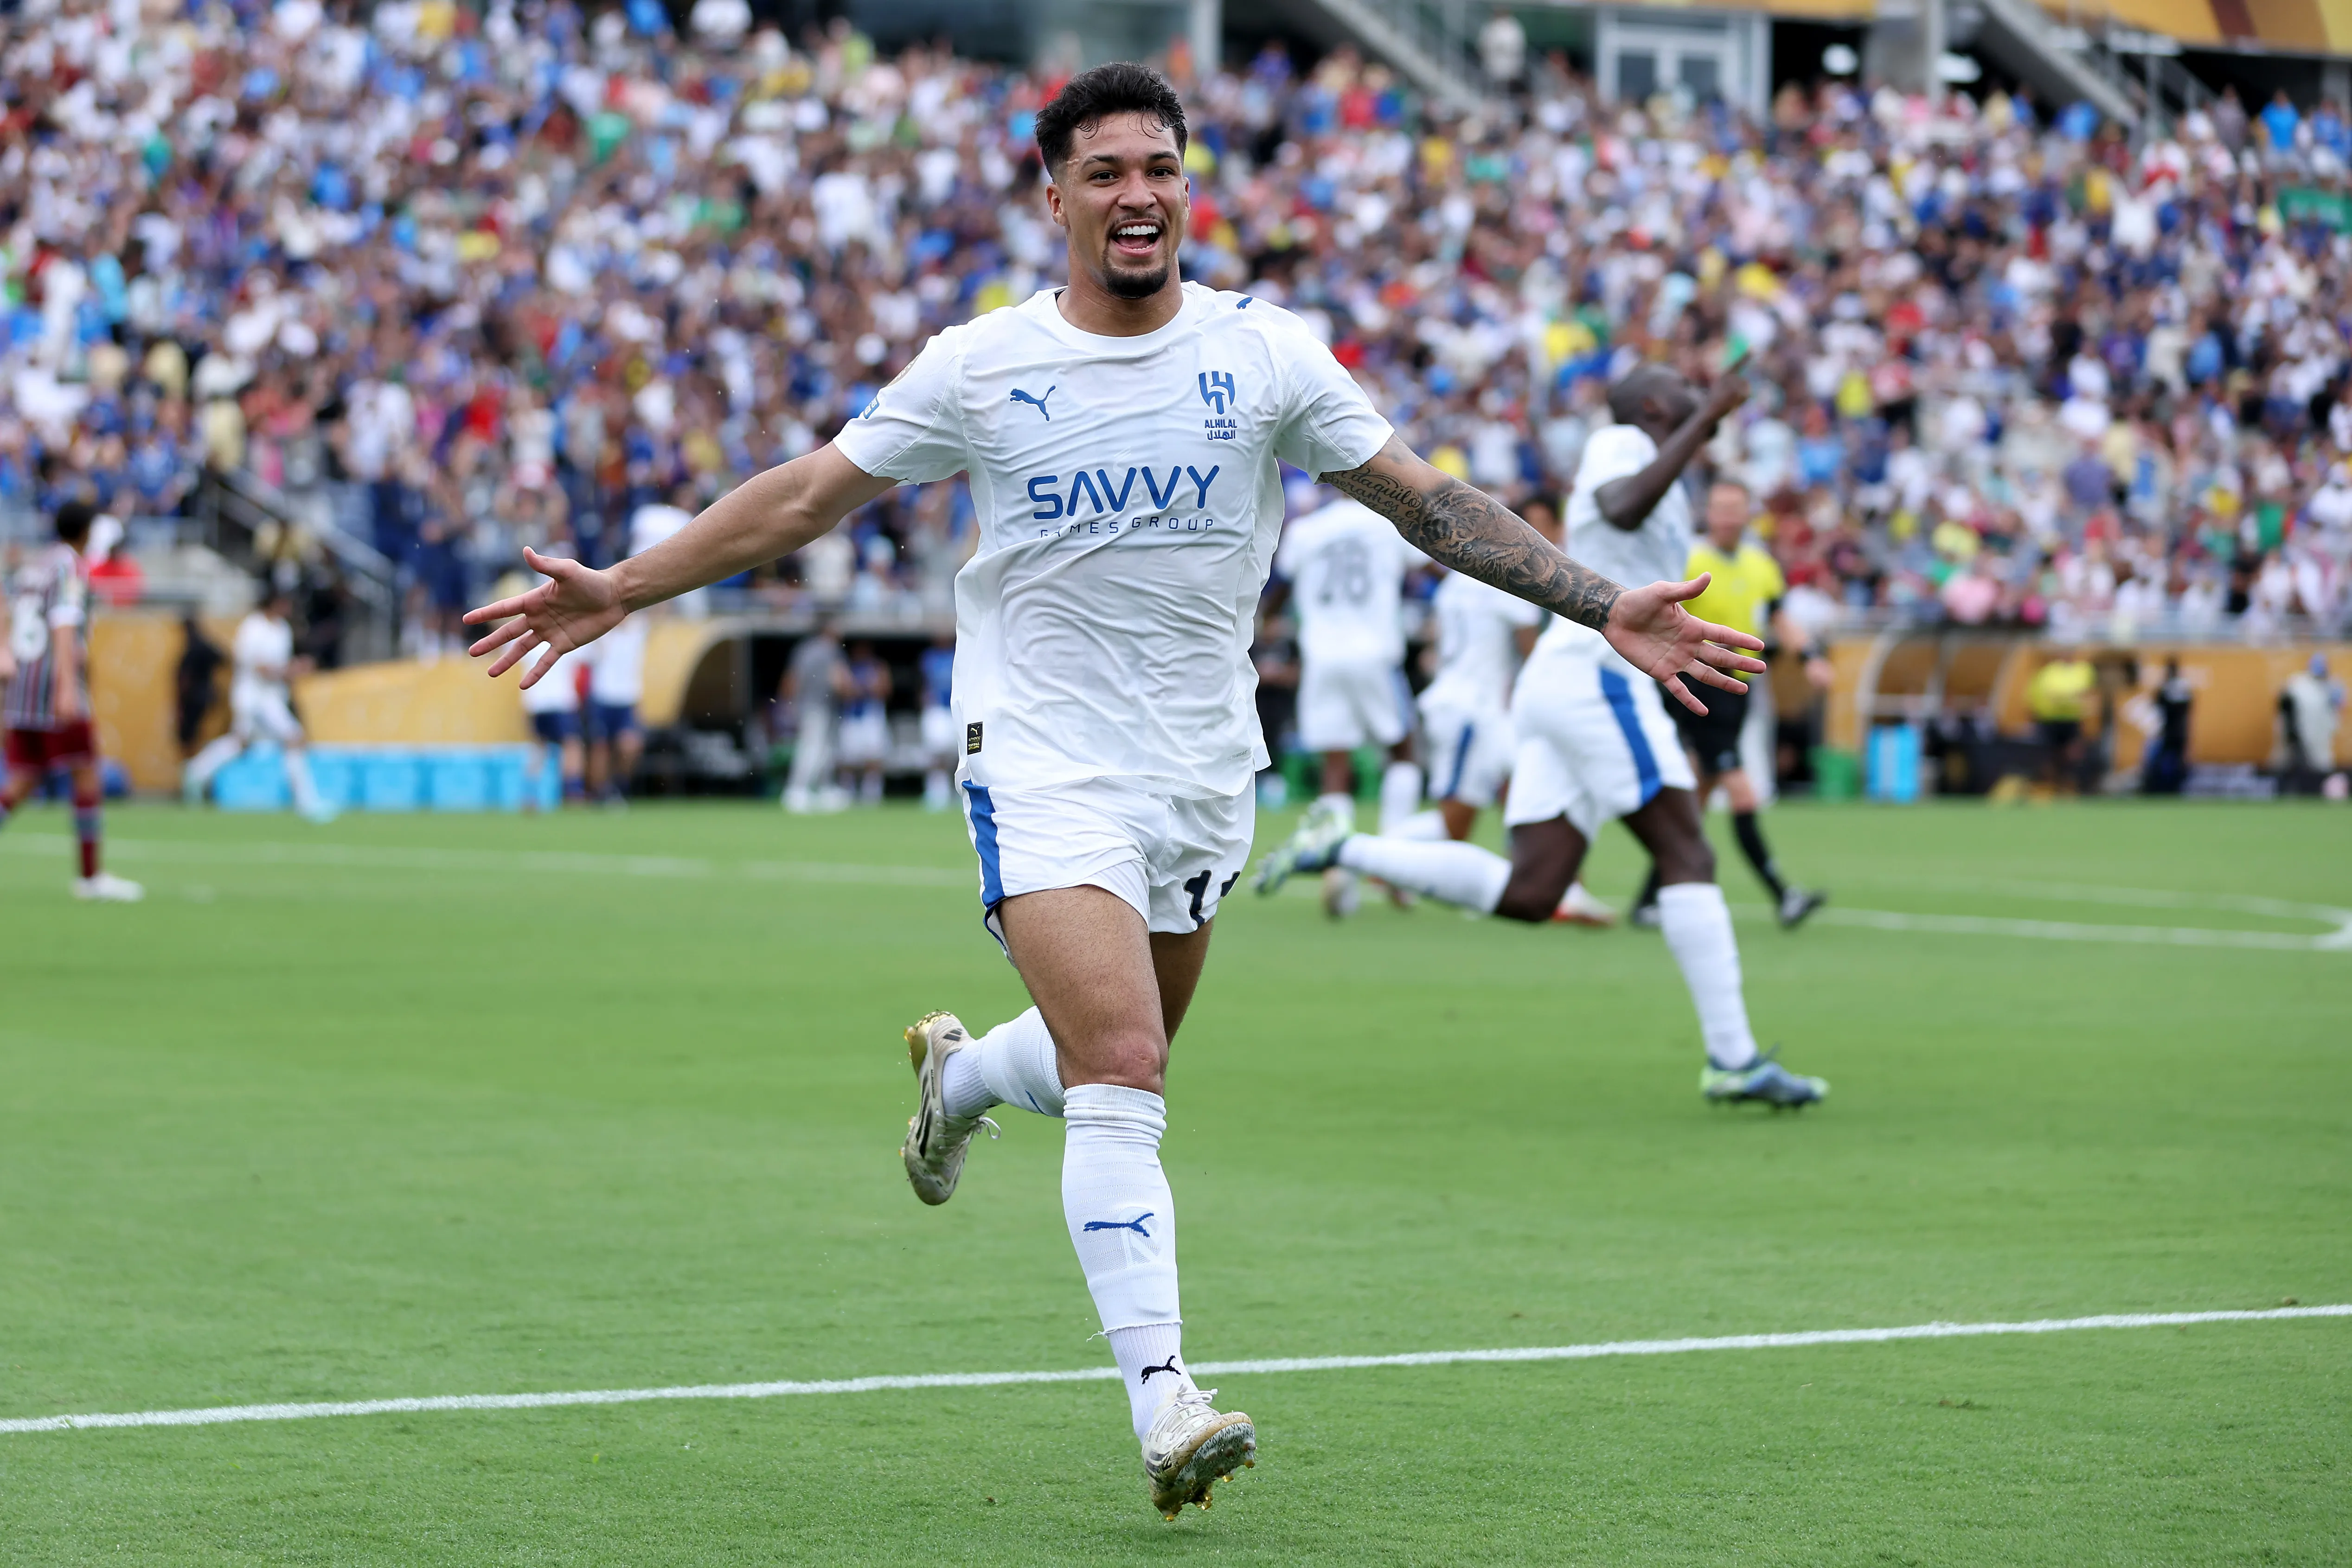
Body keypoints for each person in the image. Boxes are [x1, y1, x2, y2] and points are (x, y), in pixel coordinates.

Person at [463, 64, 1760, 1521]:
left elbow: (1430, 500)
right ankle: (1165, 1401)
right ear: (1055, 197)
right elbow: (807, 495)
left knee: (1109, 1060)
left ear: (1183, 184)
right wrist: (625, 589)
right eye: (1104, 172)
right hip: (1038, 755)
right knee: (1126, 1063)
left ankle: (958, 1079)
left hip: (1203, 768)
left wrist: (1598, 604)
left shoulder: (1266, 353)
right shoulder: (979, 365)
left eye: (1158, 165)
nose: (1135, 192)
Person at [1256, 362, 1828, 1112]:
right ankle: (1734, 1059)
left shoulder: (1656, 451)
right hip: (1598, 673)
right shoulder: (1623, 441)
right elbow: (1619, 508)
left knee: (1532, 891)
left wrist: (1702, 426)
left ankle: (1342, 850)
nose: (1701, 400)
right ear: (1658, 404)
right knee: (1686, 851)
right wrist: (1706, 414)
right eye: (1685, 394)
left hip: (1567, 680)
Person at [1627, 478, 1828, 930]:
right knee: (1740, 790)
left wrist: (1810, 657)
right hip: (1699, 686)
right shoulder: (1692, 559)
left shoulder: (1760, 564)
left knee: (1695, 802)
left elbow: (1780, 618)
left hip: (1737, 691)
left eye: (1736, 508)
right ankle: (1783, 896)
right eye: (1720, 508)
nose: (1728, 516)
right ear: (1709, 513)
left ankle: (1646, 901)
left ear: (1747, 513)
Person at [1404, 496, 1614, 925]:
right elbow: (1531, 652)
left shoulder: (1455, 579)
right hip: (1473, 709)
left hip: (1473, 704)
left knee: (1532, 790)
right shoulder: (1510, 570)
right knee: (1456, 824)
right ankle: (1358, 852)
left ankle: (1564, 890)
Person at [1269, 491, 1425, 915]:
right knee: (1404, 750)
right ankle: (1392, 860)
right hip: (1376, 651)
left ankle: (1339, 862)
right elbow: (1424, 564)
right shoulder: (1385, 523)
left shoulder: (1307, 529)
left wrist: (1264, 622)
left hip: (1321, 654)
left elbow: (1280, 585)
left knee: (1334, 765)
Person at [0, 500, 143, 900]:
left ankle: (91, 875)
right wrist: (66, 686)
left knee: (23, 781)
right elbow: (64, 625)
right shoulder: (68, 567)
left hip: (22, 688)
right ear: (86, 532)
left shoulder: (34, 565)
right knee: (86, 772)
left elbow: (7, 608)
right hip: (51, 687)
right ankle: (90, 875)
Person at [183, 582, 337, 821]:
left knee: (241, 744)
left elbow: (277, 667)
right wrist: (293, 670)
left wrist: (292, 670)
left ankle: (197, 771)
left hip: (271, 697)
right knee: (293, 738)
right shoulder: (253, 627)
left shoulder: (282, 629)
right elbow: (258, 667)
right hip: (254, 698)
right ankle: (305, 801)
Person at [779, 617, 848, 814]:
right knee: (813, 748)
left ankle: (823, 790)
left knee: (824, 749)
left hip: (810, 705)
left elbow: (792, 678)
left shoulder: (805, 649)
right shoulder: (831, 650)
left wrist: (788, 704)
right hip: (818, 706)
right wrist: (853, 692)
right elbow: (839, 681)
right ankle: (797, 790)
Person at [585, 612, 645, 804]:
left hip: (627, 699)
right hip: (603, 698)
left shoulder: (639, 629)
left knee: (630, 746)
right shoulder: (600, 631)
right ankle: (600, 792)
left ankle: (620, 787)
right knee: (600, 749)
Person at [2027, 648, 2096, 794]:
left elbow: (2088, 694)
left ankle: (2069, 788)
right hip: (2049, 721)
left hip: (2074, 721)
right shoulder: (2048, 672)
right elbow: (2039, 695)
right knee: (2049, 756)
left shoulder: (2084, 670)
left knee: (2073, 756)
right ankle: (2047, 788)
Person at [835, 640, 893, 804]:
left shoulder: (877, 666)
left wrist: (869, 687)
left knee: (873, 755)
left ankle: (871, 792)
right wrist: (855, 689)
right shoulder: (847, 667)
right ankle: (847, 791)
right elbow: (843, 691)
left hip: (872, 714)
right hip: (851, 716)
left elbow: (885, 690)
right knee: (848, 757)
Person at [2276, 653, 2344, 787]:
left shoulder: (2333, 685)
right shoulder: (2299, 683)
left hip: (2322, 735)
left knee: (2321, 763)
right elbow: (2284, 704)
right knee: (2288, 763)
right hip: (2299, 733)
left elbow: (2339, 707)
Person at [2140, 657, 2193, 795]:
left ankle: (2166, 789)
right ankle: (2166, 789)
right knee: (2167, 762)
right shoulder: (2181, 689)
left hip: (2170, 732)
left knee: (2170, 762)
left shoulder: (2170, 689)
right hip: (2175, 732)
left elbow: (2159, 708)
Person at [917, 632, 958, 811]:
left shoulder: (957, 654)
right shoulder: (929, 657)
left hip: (955, 708)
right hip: (937, 710)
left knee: (959, 752)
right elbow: (922, 682)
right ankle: (937, 792)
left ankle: (958, 790)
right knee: (936, 751)